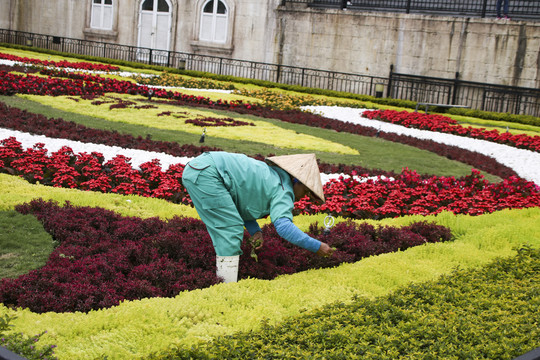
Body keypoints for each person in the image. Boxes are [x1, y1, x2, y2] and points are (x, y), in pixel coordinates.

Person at [182, 151, 334, 283]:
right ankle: (225, 288)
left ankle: (225, 282)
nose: (302, 197)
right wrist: (316, 246)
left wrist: (256, 231)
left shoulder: (273, 176)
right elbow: (283, 227)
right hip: (209, 174)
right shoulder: (284, 189)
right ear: (298, 182)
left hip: (199, 168)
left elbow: (241, 203)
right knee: (230, 231)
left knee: (231, 224)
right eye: (306, 192)